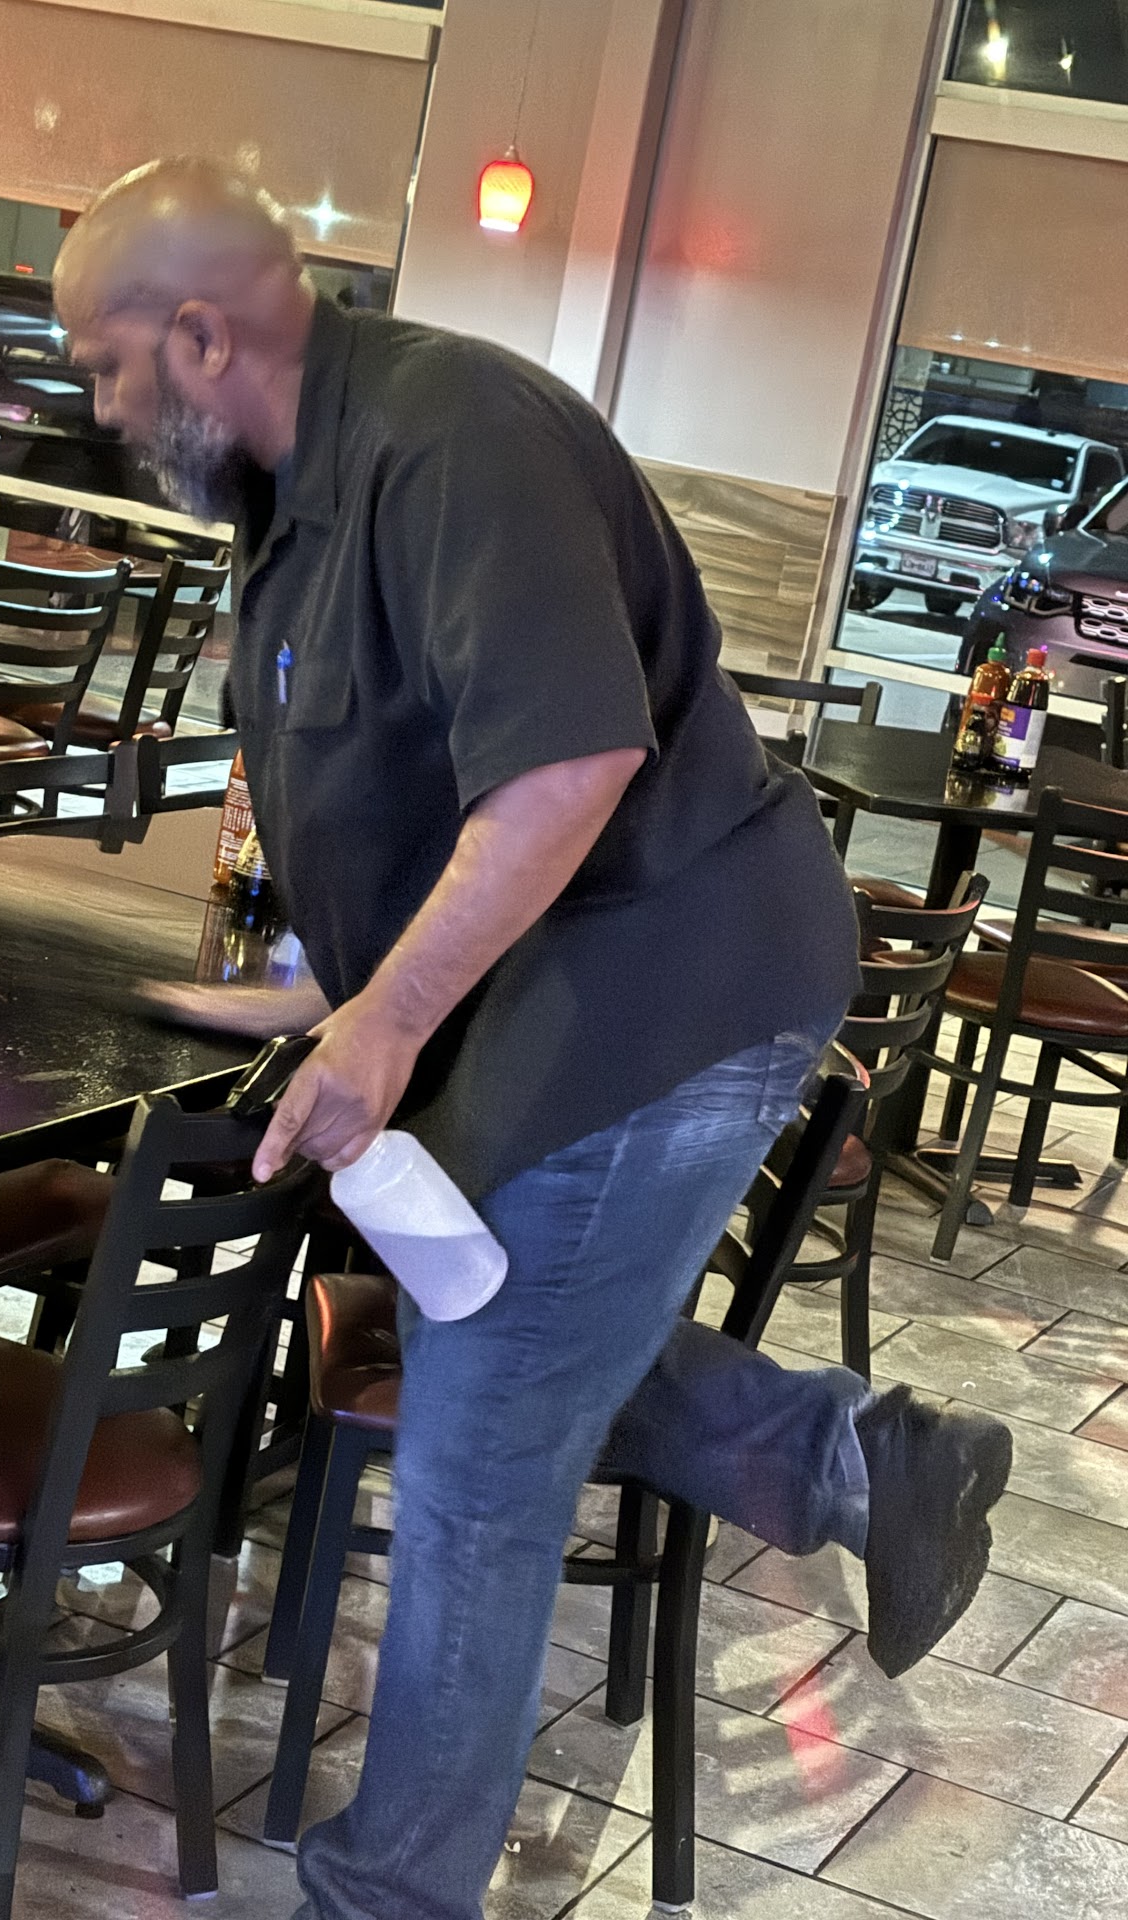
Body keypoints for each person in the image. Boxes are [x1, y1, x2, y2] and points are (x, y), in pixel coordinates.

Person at [54, 160, 1014, 1920]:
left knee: (481, 1443)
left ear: (197, 336)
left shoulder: (449, 440)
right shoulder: (296, 499)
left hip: (672, 978)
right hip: (572, 984)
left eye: (105, 365)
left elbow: (572, 764)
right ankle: (863, 1460)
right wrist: (329, 989)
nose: (102, 408)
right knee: (518, 1327)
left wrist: (386, 1020)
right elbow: (410, 792)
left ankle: (387, 1899)